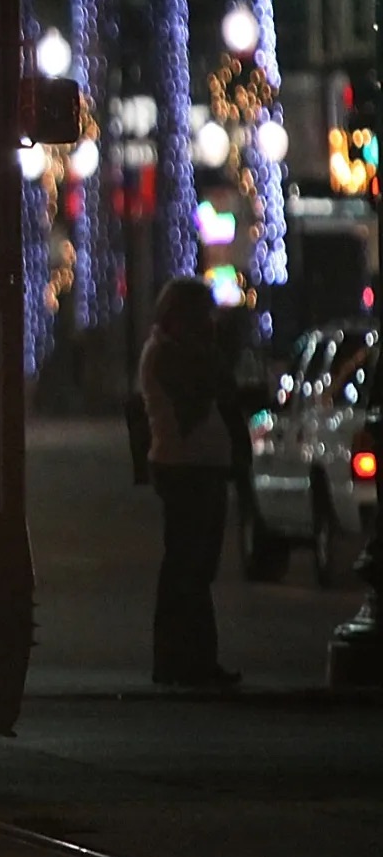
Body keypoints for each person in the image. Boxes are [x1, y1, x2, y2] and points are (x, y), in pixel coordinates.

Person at [137, 278, 242, 689]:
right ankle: (183, 661)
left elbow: (225, 392)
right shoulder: (166, 354)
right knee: (187, 569)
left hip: (200, 467)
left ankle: (193, 659)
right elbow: (196, 405)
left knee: (195, 569)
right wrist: (211, 358)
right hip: (185, 469)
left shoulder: (180, 352)